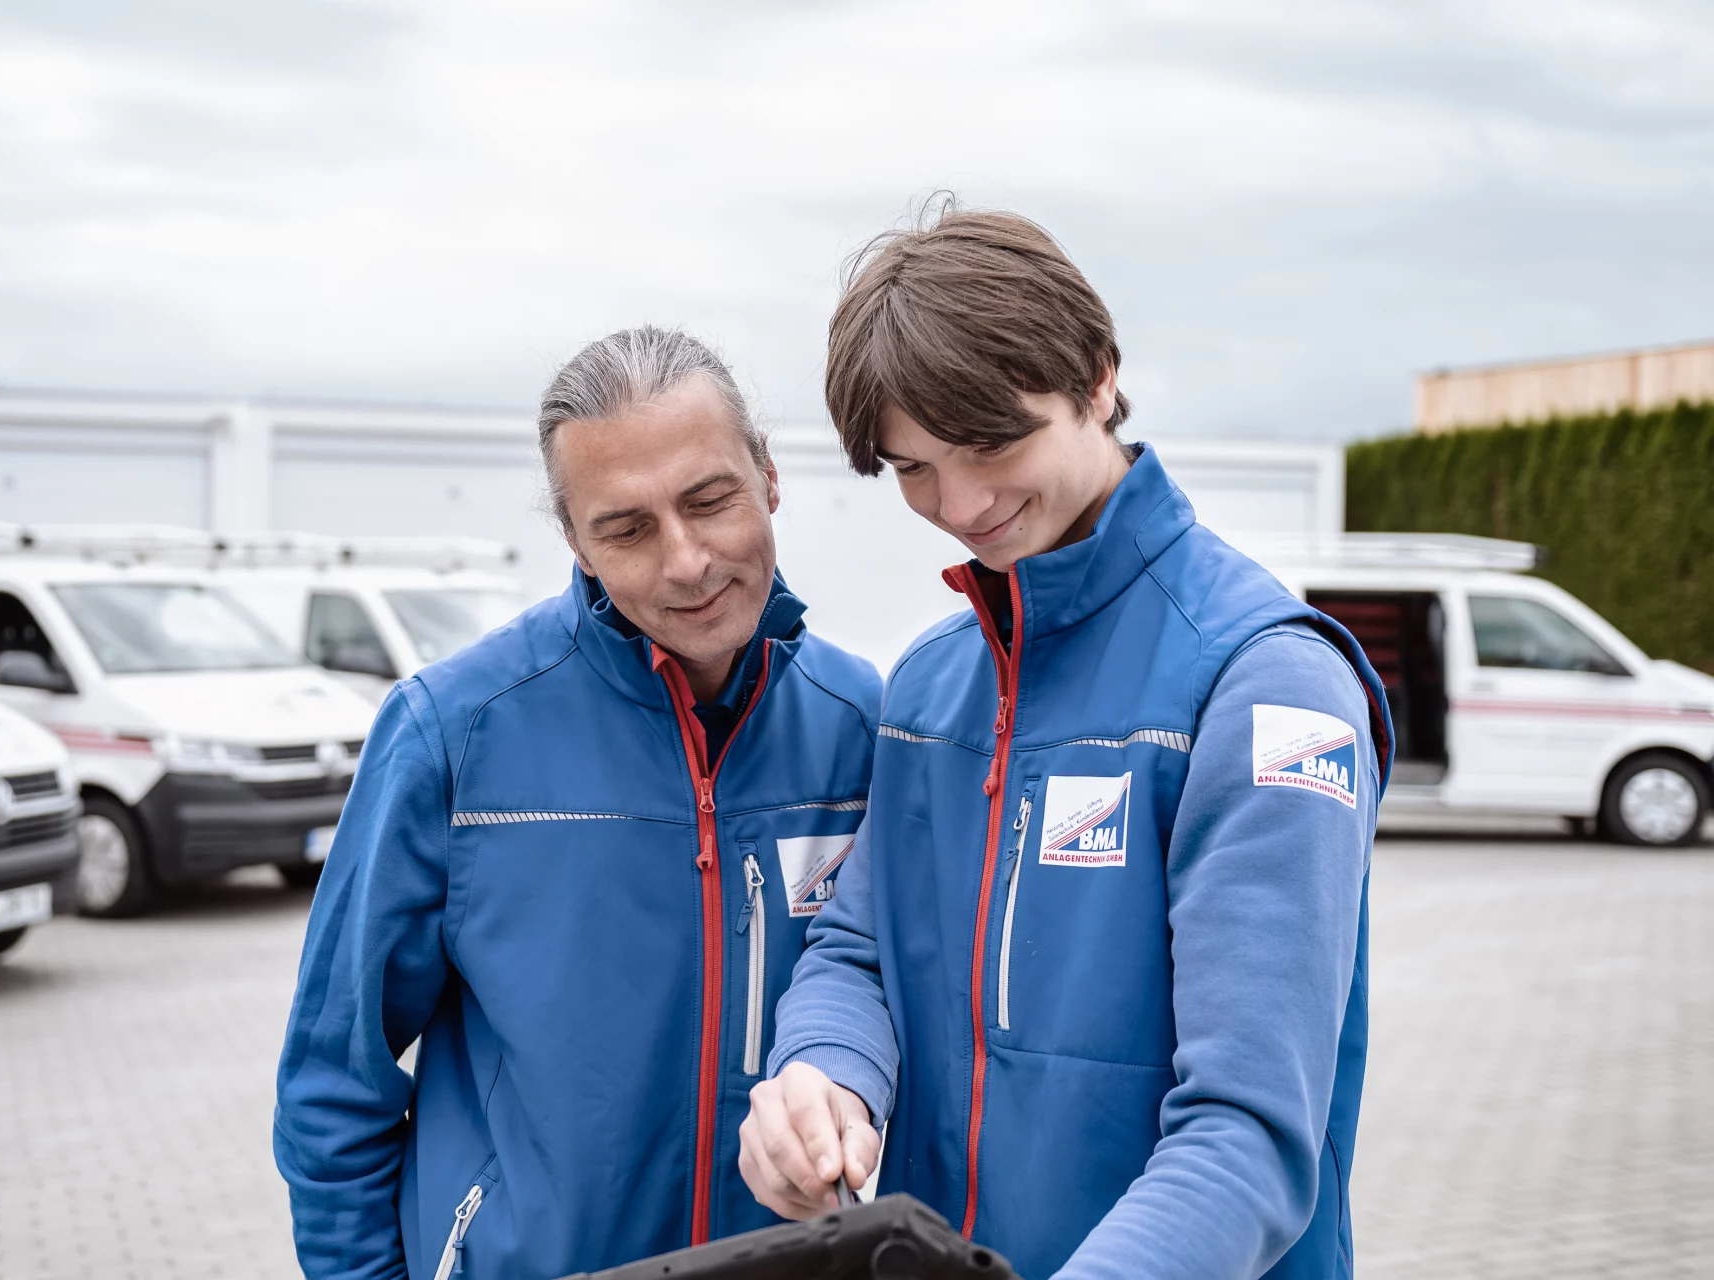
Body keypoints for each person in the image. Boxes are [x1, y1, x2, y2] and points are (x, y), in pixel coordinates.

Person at [739, 208, 1394, 1280]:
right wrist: (823, 1074)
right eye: (913, 467)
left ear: (1097, 379)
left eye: (995, 444)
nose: (962, 504)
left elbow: (1250, 1134)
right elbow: (861, 946)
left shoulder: (1267, 682)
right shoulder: (935, 681)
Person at [274, 326, 882, 1279]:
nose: (685, 561)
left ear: (768, 476)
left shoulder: (866, 725)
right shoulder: (454, 732)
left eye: (709, 500)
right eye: (626, 528)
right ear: (574, 540)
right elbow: (332, 1080)